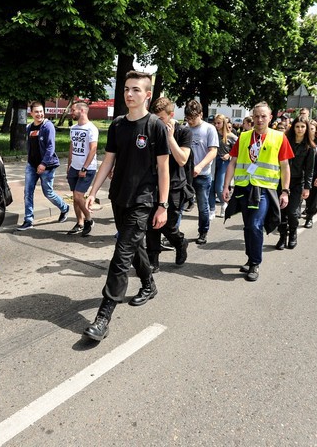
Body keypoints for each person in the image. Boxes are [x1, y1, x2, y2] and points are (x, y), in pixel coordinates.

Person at [82, 71, 169, 342]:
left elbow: (164, 168)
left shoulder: (155, 126)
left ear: (147, 95)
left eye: (135, 90)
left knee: (121, 256)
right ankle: (149, 283)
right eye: (126, 89)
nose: (129, 94)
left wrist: (162, 205)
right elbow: (108, 160)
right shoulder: (118, 125)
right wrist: (93, 191)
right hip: (119, 197)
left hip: (142, 201)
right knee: (133, 248)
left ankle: (103, 316)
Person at [222, 102, 293, 282]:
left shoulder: (279, 137)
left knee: (255, 225)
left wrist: (284, 191)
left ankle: (255, 263)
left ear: (270, 118)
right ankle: (250, 257)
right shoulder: (244, 137)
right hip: (244, 187)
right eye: (256, 116)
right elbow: (232, 162)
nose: (259, 119)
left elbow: (285, 167)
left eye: (263, 116)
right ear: (252, 118)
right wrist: (226, 186)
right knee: (248, 226)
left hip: (265, 189)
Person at [147, 97, 192, 271]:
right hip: (153, 185)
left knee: (168, 226)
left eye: (161, 118)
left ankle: (180, 242)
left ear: (171, 115)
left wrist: (170, 137)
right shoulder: (151, 129)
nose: (157, 122)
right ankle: (153, 261)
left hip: (174, 186)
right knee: (152, 224)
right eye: (154, 118)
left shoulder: (183, 132)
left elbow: (182, 160)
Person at [16, 101, 69, 230]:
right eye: (36, 112)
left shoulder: (48, 126)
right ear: (31, 113)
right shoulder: (29, 127)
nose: (39, 114)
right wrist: (32, 162)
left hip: (47, 166)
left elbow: (51, 147)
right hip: (32, 165)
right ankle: (28, 220)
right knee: (28, 192)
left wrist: (43, 164)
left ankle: (64, 207)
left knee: (48, 192)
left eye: (41, 111)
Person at [276, 116, 314, 250]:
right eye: (297, 126)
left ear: (307, 128)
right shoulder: (285, 141)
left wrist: (307, 187)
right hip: (282, 181)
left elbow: (309, 169)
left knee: (292, 212)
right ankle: (282, 237)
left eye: (303, 127)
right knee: (281, 211)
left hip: (298, 182)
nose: (300, 129)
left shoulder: (310, 147)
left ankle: (293, 234)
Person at [184, 100, 218, 244]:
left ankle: (203, 232)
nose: (190, 121)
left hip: (202, 175)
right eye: (188, 118)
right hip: (185, 175)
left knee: (203, 206)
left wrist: (199, 166)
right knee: (179, 205)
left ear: (201, 115)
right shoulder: (185, 128)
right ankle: (173, 234)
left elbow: (213, 151)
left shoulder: (209, 129)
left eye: (193, 118)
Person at [65, 101, 99, 237]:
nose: (71, 113)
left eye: (73, 110)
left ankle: (89, 219)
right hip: (74, 167)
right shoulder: (73, 128)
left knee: (79, 196)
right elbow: (72, 147)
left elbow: (93, 149)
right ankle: (79, 223)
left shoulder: (91, 128)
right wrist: (69, 165)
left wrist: (84, 168)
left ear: (82, 111)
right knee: (75, 197)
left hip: (87, 168)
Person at [212, 115, 237, 219]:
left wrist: (229, 155)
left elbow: (238, 149)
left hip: (224, 162)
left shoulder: (231, 136)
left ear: (224, 124)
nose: (216, 125)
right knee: (211, 186)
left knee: (219, 186)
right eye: (215, 123)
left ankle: (224, 203)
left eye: (219, 123)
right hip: (213, 161)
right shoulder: (213, 134)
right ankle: (211, 209)